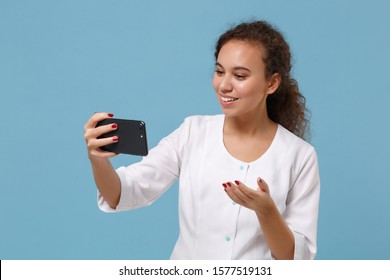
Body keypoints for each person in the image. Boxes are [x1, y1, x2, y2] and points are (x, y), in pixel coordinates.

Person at [83, 20, 320, 260]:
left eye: (239, 75)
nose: (224, 85)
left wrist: (267, 211)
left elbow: (296, 259)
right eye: (219, 71)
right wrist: (97, 160)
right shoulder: (192, 132)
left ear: (272, 83)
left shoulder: (300, 156)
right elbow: (122, 192)